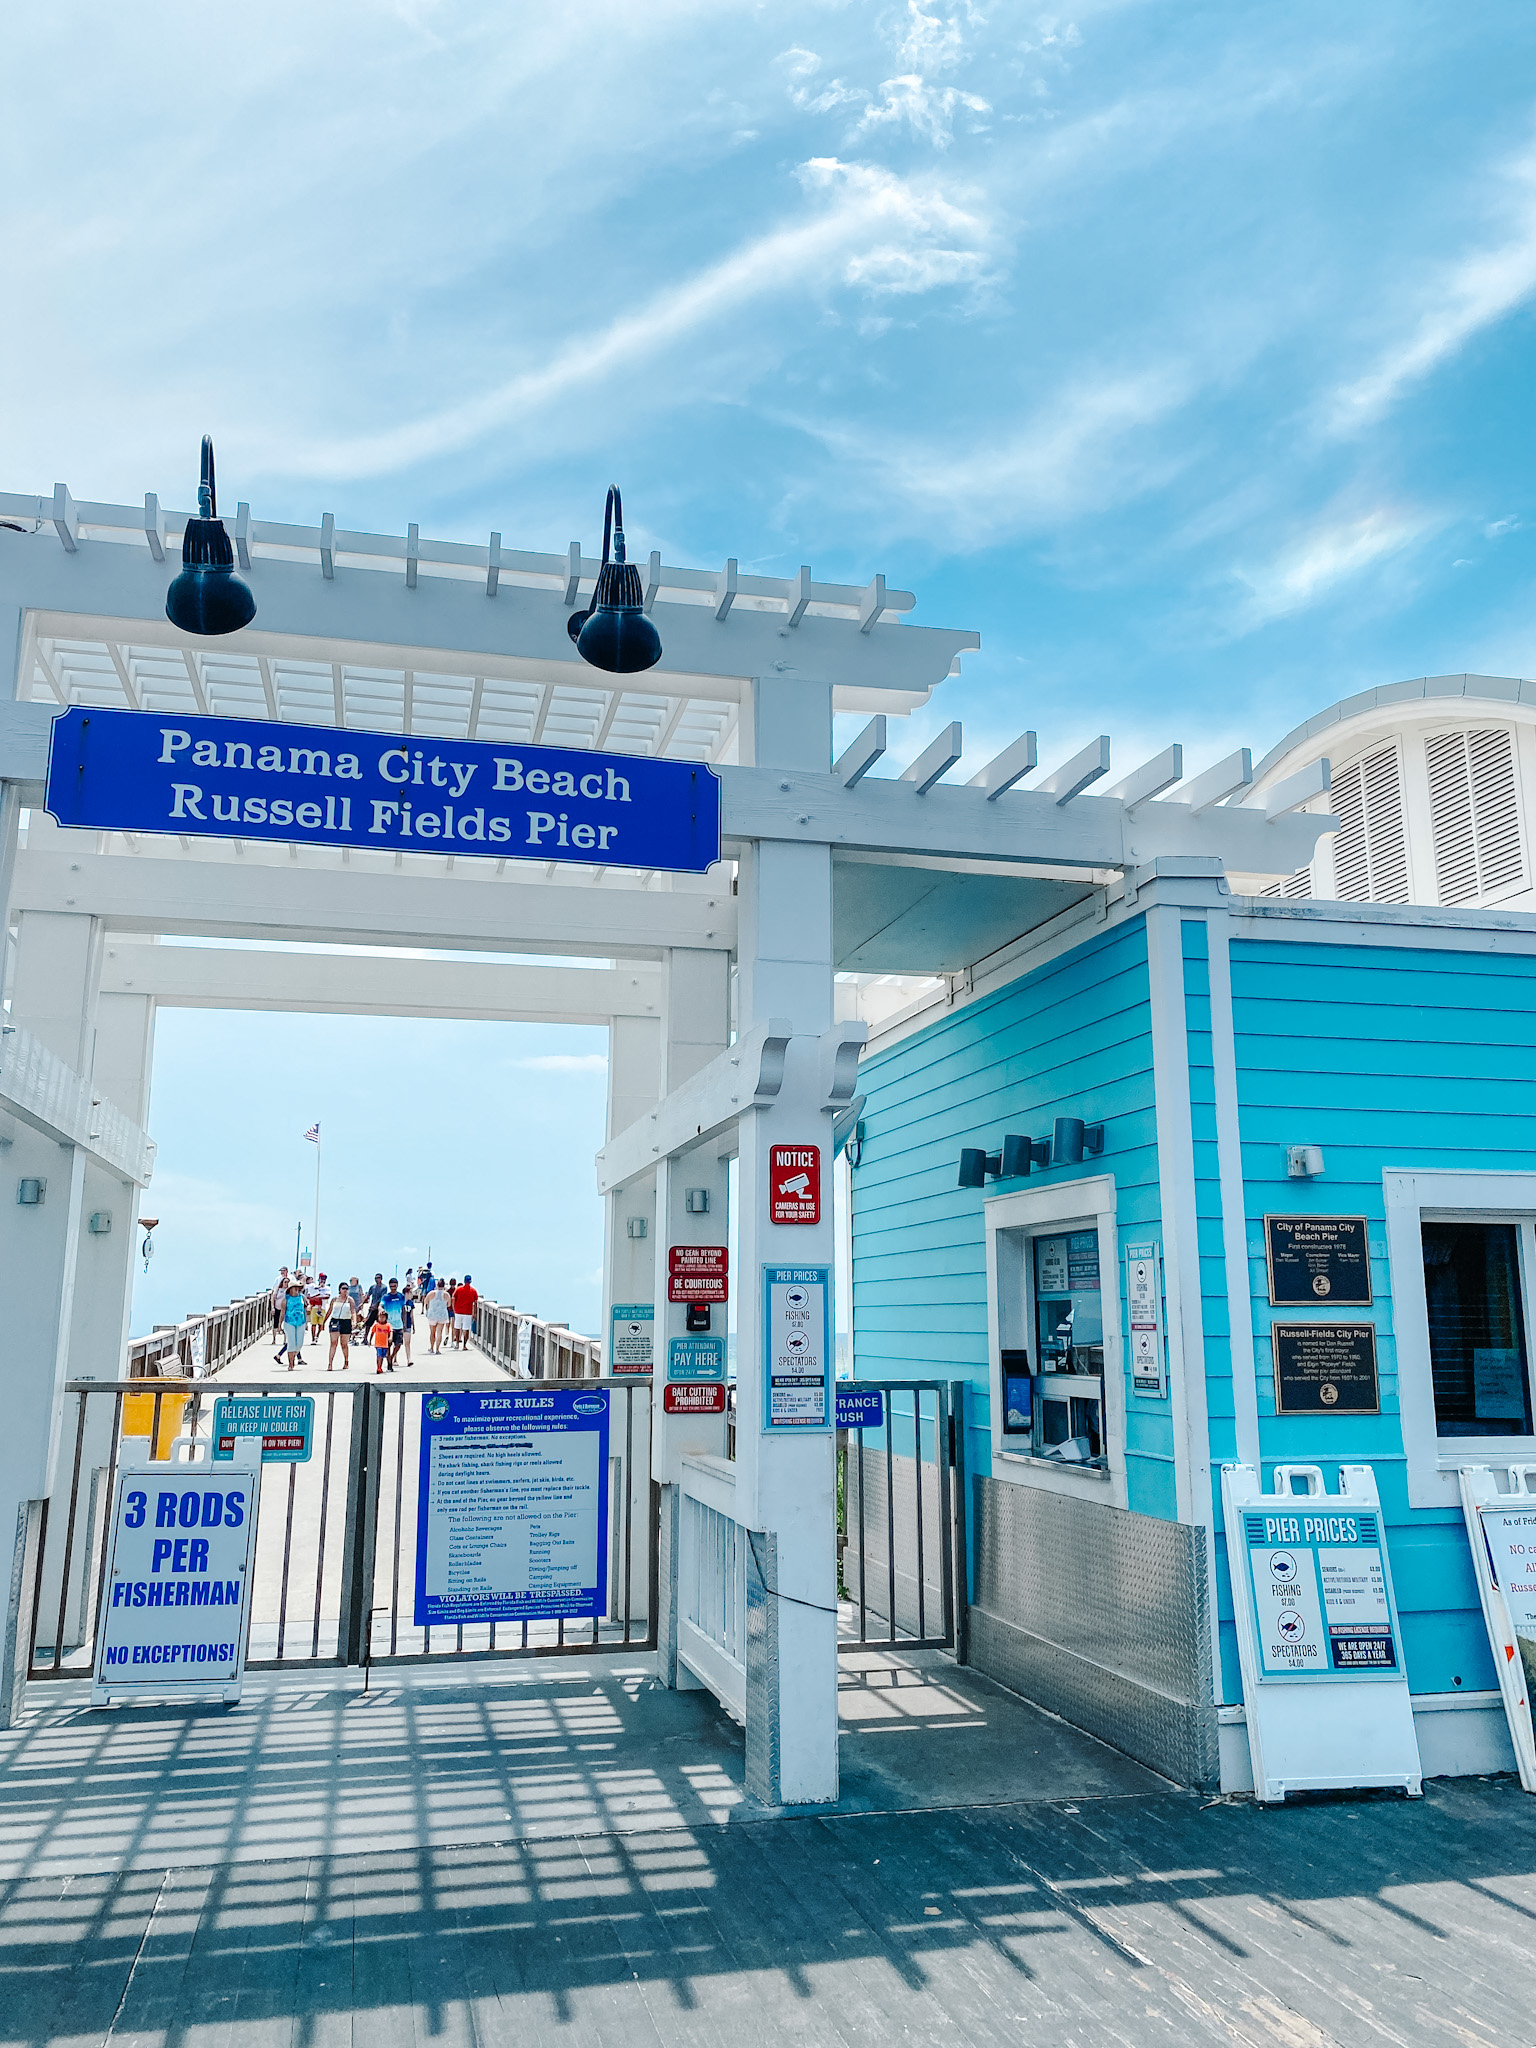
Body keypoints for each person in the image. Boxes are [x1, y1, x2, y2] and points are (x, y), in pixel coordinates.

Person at [326, 1281, 353, 1371]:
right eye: (343, 1288)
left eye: (346, 1288)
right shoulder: (334, 1299)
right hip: (335, 1321)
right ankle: (330, 1363)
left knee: (344, 1344)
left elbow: (353, 1311)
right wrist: (323, 1322)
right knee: (333, 1343)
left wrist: (354, 1321)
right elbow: (329, 1311)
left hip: (346, 1321)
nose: (345, 1290)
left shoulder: (350, 1300)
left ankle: (346, 1361)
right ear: (339, 1290)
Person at [381, 1277, 406, 1370]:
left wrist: (405, 1324)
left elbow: (403, 1310)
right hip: (389, 1325)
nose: (393, 1288)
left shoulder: (401, 1296)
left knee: (398, 1345)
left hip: (399, 1324)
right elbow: (381, 1305)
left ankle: (392, 1357)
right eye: (391, 1286)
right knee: (388, 1346)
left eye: (394, 1286)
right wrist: (381, 1310)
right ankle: (389, 1364)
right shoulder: (386, 1297)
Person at [282, 1282, 307, 1371]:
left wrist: (307, 1321)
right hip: (289, 1322)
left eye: (298, 1287)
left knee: (299, 1344)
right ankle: (291, 1363)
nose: (297, 1289)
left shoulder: (302, 1297)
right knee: (291, 1343)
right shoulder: (286, 1299)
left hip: (301, 1322)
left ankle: (293, 1356)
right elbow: (283, 1311)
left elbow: (306, 1308)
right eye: (295, 1287)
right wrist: (279, 1324)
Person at [452, 1272, 479, 1351]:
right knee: (466, 1329)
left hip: (458, 1311)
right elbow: (475, 1303)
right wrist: (475, 1313)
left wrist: (454, 1308)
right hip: (468, 1312)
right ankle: (464, 1345)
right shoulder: (473, 1291)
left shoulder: (458, 1289)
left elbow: (453, 1298)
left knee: (457, 1327)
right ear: (470, 1281)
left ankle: (457, 1343)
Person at [426, 1278, 450, 1355]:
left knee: (432, 1332)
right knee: (439, 1332)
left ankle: (431, 1347)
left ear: (437, 1285)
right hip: (442, 1315)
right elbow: (448, 1304)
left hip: (432, 1315)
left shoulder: (431, 1293)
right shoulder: (446, 1294)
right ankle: (437, 1349)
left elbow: (426, 1301)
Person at [271, 1267, 291, 1354]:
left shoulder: (289, 1291)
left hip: (287, 1309)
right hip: (277, 1308)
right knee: (275, 1323)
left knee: (285, 1325)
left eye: (287, 1282)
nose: (286, 1283)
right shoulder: (278, 1289)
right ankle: (274, 1339)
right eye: (285, 1282)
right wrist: (272, 1307)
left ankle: (285, 1339)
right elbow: (273, 1297)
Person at [306, 1271, 329, 1345]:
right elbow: (309, 1296)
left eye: (324, 1279)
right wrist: (317, 1298)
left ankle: (317, 1335)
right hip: (314, 1307)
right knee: (313, 1324)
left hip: (323, 1307)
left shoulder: (327, 1288)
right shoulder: (313, 1286)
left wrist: (316, 1297)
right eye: (321, 1278)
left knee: (321, 1324)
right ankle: (313, 1338)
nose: (322, 1280)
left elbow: (327, 1296)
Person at [369, 1305, 392, 1375]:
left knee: (384, 1355)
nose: (382, 1318)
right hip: (378, 1344)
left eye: (383, 1317)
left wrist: (390, 1337)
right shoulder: (376, 1325)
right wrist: (370, 1340)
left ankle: (384, 1366)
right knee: (379, 1356)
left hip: (385, 1344)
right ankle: (378, 1367)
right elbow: (372, 1333)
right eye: (380, 1317)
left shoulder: (388, 1325)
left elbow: (391, 1332)